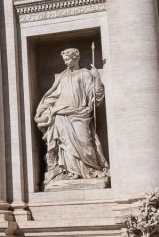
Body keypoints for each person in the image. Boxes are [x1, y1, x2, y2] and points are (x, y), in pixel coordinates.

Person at [34, 47, 109, 185]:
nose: (66, 62)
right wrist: (41, 109)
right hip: (61, 113)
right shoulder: (62, 76)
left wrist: (97, 78)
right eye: (64, 60)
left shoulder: (85, 74)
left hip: (80, 113)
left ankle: (90, 170)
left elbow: (95, 96)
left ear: (76, 58)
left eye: (68, 59)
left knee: (84, 141)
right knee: (64, 144)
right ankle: (70, 172)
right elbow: (54, 95)